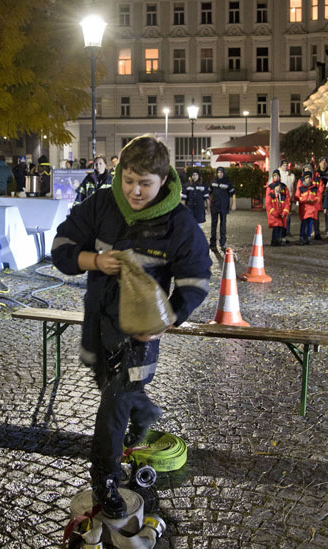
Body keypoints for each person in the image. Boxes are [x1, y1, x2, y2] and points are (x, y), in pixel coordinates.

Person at [51, 134, 211, 519]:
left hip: (141, 332)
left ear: (163, 180)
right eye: (128, 180)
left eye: (145, 184)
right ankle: (146, 411)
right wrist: (92, 260)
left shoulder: (179, 222)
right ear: (120, 173)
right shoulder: (101, 203)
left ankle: (104, 478)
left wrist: (168, 318)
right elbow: (60, 247)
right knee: (104, 380)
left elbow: (196, 280)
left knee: (113, 403)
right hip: (99, 320)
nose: (135, 191)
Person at [209, 167, 236, 252]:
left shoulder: (227, 182)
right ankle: (213, 243)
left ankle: (222, 243)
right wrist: (208, 205)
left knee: (223, 225)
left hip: (223, 207)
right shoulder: (213, 182)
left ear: (223, 173)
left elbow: (233, 193)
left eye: (221, 172)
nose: (219, 174)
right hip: (214, 206)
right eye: (218, 172)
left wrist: (234, 203)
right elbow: (209, 193)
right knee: (213, 225)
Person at [295, 170, 323, 245]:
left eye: (310, 178)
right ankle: (302, 238)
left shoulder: (315, 188)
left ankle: (308, 238)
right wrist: (305, 200)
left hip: (312, 210)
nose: (308, 179)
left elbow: (319, 197)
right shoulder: (301, 188)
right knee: (303, 224)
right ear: (304, 179)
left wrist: (313, 200)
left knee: (310, 225)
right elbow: (297, 197)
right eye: (307, 178)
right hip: (304, 210)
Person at [265, 169, 291, 246]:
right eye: (275, 176)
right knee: (276, 227)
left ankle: (280, 239)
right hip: (275, 212)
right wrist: (274, 212)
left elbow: (287, 199)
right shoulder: (270, 187)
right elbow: (268, 202)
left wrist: (285, 211)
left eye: (277, 175)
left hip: (282, 211)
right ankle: (276, 240)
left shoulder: (284, 186)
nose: (276, 177)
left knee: (282, 226)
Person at [278, 160, 296, 238]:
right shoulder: (278, 174)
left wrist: (293, 197)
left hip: (289, 198)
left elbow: (293, 187)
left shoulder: (291, 175)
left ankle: (287, 230)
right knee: (280, 214)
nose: (285, 167)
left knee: (288, 215)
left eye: (286, 165)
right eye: (284, 165)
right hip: (280, 198)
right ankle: (280, 230)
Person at [317, 157, 328, 239]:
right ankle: (316, 231)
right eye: (322, 162)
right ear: (319, 163)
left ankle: (327, 231)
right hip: (318, 197)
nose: (323, 164)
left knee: (327, 214)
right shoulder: (316, 173)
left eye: (325, 162)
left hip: (327, 196)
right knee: (316, 214)